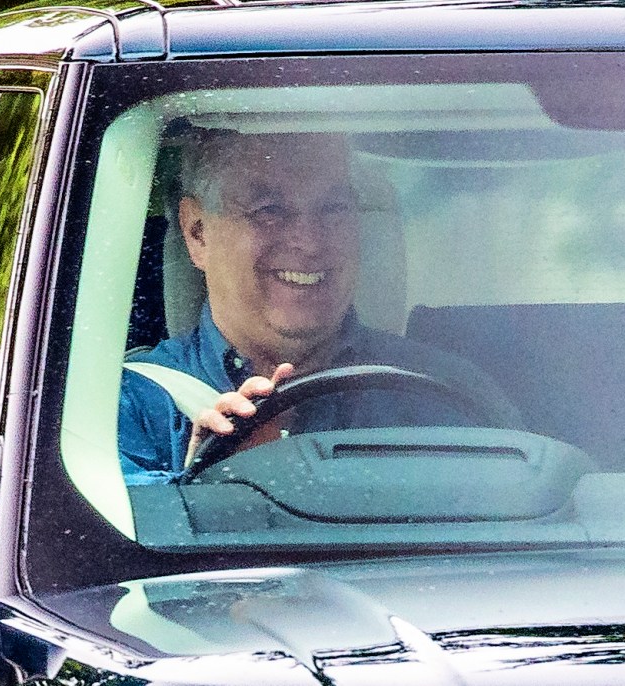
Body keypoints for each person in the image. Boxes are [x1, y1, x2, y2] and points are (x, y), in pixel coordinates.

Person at [118, 130, 521, 482]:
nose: (310, 243)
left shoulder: (449, 395)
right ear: (198, 232)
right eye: (269, 211)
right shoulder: (126, 403)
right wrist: (197, 490)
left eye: (334, 209)